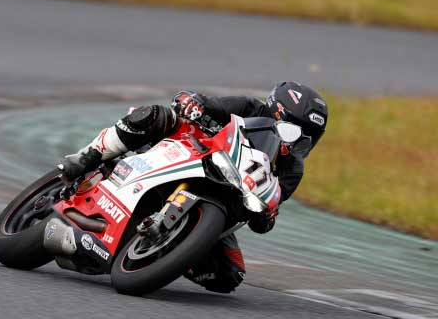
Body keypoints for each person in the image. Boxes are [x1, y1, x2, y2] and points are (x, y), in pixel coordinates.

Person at [58, 81, 328, 293]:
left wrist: (267, 215)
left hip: (225, 202)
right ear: (275, 114)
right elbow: (202, 102)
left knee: (229, 276)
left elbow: (268, 211)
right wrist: (192, 104)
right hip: (193, 153)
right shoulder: (248, 108)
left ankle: (167, 253)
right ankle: (86, 157)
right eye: (294, 134)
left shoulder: (293, 170)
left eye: (307, 141)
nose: (297, 146)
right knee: (155, 115)